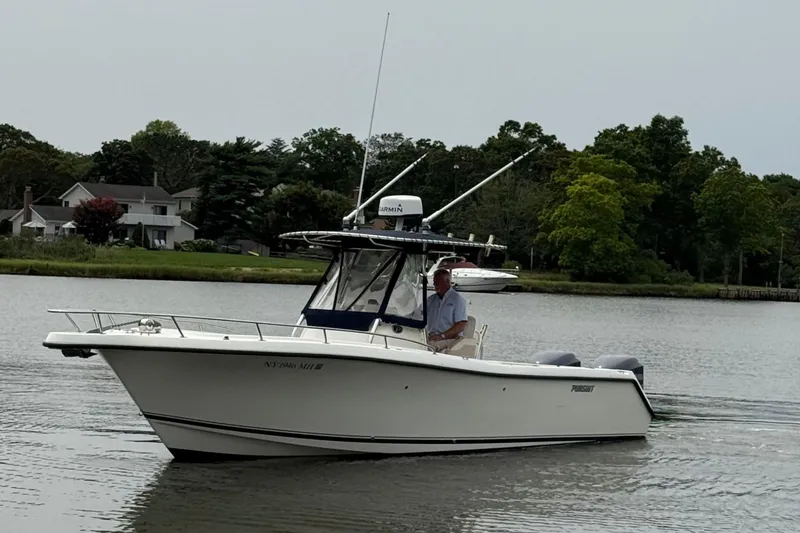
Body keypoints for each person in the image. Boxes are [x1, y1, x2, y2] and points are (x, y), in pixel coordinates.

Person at [425, 268, 468, 353]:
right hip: (432, 337)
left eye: (437, 282)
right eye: (434, 281)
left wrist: (441, 336)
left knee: (427, 347)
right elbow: (417, 314)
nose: (434, 284)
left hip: (451, 338)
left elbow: (461, 325)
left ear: (447, 281)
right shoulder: (431, 300)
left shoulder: (457, 300)